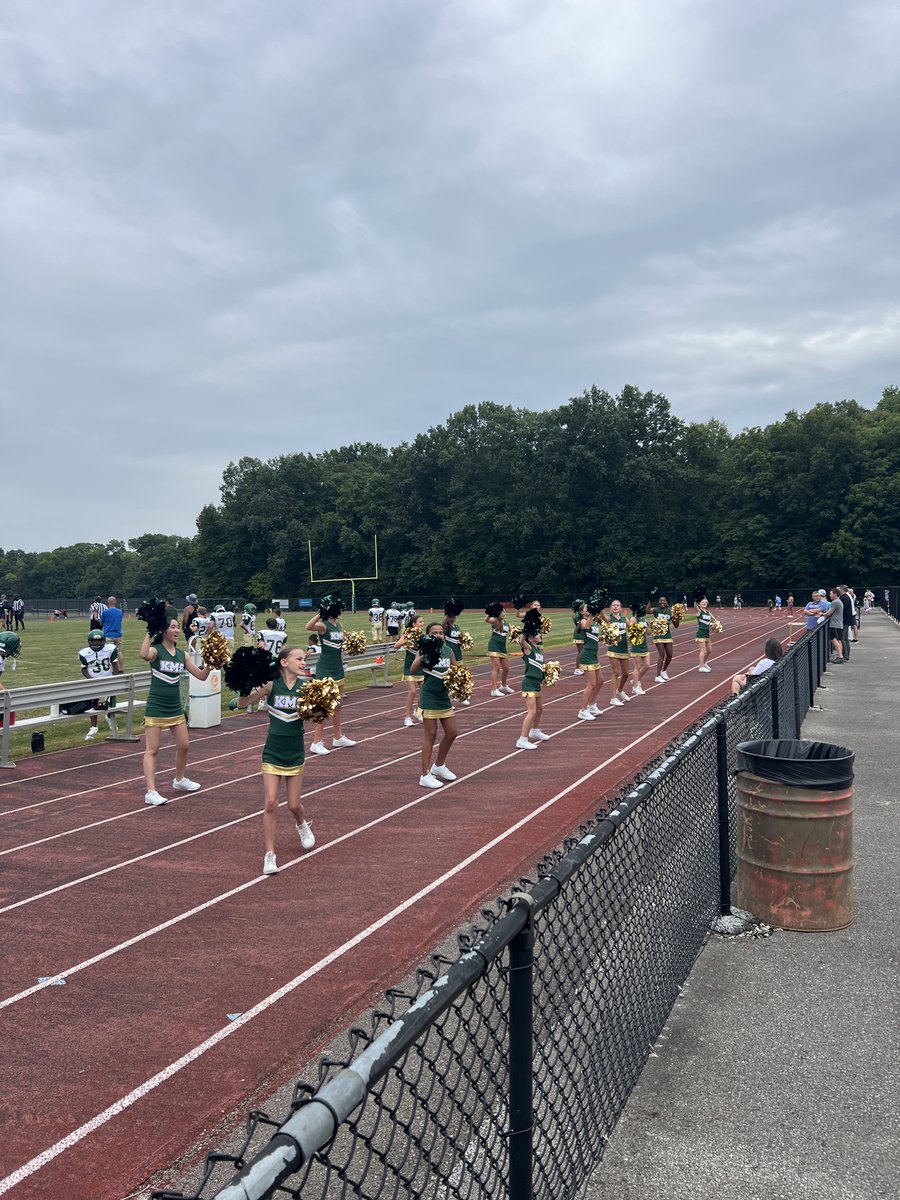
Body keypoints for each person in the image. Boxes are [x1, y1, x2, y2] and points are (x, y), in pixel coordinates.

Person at [231, 645, 316, 875]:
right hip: (272, 751)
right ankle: (270, 854)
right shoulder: (271, 686)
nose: (303, 662)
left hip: (295, 752)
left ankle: (301, 824)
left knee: (293, 805)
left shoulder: (307, 688)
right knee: (270, 802)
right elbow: (241, 704)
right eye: (299, 659)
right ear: (284, 662)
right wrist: (243, 684)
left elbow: (319, 716)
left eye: (304, 659)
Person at [140, 618, 212, 805]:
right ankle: (151, 791)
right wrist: (150, 631)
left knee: (184, 746)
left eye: (178, 627)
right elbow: (143, 654)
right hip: (156, 706)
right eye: (173, 627)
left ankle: (179, 780)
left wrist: (211, 662)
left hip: (175, 707)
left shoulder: (183, 655)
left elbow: (202, 676)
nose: (177, 630)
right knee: (153, 749)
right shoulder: (157, 651)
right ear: (164, 630)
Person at [305, 597, 356, 754]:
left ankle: (338, 737)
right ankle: (316, 742)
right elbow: (308, 626)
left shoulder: (339, 625)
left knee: (338, 705)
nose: (342, 612)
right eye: (340, 609)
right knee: (324, 707)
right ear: (335, 611)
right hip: (325, 669)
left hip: (337, 668)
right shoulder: (323, 626)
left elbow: (342, 640)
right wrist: (320, 613)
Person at [409, 623, 458, 788]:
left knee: (452, 733)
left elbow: (455, 670)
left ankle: (439, 765)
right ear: (428, 635)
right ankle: (424, 775)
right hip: (429, 698)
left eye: (440, 633)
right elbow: (413, 669)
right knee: (431, 736)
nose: (438, 635)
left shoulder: (448, 651)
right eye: (434, 633)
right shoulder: (423, 650)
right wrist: (425, 654)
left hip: (444, 698)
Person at [515, 607, 550, 749]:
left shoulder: (538, 649)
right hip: (529, 682)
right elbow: (521, 641)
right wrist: (527, 629)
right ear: (530, 637)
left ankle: (534, 731)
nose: (539, 635)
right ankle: (522, 739)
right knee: (532, 711)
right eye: (536, 634)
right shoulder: (528, 647)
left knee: (540, 709)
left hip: (537, 683)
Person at [79, 628, 122, 740]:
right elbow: (83, 669)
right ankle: (94, 726)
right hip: (94, 680)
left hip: (108, 679)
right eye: (94, 641)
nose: (97, 643)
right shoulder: (84, 653)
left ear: (104, 641)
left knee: (111, 703)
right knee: (93, 704)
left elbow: (115, 665)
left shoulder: (110, 649)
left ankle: (110, 718)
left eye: (99, 641)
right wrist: (90, 679)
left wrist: (114, 678)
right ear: (89, 642)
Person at [575, 602, 605, 720]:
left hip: (594, 655)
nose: (589, 610)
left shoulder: (594, 622)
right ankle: (583, 710)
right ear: (582, 612)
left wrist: (607, 636)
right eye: (587, 609)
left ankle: (591, 704)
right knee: (592, 683)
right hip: (586, 655)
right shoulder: (582, 621)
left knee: (601, 681)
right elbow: (586, 627)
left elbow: (594, 638)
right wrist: (592, 614)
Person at [395, 612, 425, 726]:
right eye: (420, 622)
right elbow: (396, 645)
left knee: (424, 691)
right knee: (412, 692)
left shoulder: (422, 635)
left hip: (420, 666)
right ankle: (407, 717)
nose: (422, 624)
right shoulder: (408, 633)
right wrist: (408, 639)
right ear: (414, 624)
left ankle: (418, 712)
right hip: (409, 666)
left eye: (422, 622)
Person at [442, 600, 470, 706]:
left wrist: (465, 641)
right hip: (450, 654)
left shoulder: (457, 627)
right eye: (452, 616)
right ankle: (448, 700)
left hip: (458, 654)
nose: (453, 618)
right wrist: (447, 615)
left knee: (460, 676)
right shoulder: (446, 627)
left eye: (454, 616)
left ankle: (461, 696)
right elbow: (443, 624)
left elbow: (460, 638)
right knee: (450, 677)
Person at [485, 602, 514, 697]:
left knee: (506, 668)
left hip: (502, 647)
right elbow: (486, 620)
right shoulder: (494, 620)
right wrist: (490, 612)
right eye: (501, 612)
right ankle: (493, 690)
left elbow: (514, 632)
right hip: (494, 645)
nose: (503, 613)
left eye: (504, 611)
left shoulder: (507, 623)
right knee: (496, 667)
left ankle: (503, 686)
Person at [605, 599, 631, 705]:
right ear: (611, 608)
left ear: (621, 608)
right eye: (613, 605)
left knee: (626, 673)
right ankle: (613, 698)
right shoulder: (609, 618)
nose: (615, 607)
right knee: (615, 672)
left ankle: (619, 690)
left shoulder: (625, 619)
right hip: (613, 648)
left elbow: (633, 629)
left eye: (617, 605)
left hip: (624, 648)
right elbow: (602, 616)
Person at [628, 604, 651, 696]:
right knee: (637, 667)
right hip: (636, 645)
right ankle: (635, 687)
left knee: (647, 665)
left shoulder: (644, 619)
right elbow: (632, 631)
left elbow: (648, 633)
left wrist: (651, 626)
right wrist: (634, 622)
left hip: (644, 645)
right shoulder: (633, 619)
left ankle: (635, 680)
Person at [652, 595, 674, 682]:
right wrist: (650, 600)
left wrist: (676, 617)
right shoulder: (656, 610)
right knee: (662, 654)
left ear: (666, 602)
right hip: (658, 634)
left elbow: (676, 625)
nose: (662, 602)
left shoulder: (670, 611)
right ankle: (657, 676)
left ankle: (663, 671)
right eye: (660, 601)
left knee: (670, 655)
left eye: (664, 601)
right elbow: (647, 611)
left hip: (667, 635)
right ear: (659, 602)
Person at [821, 588, 845, 663]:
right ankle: (840, 656)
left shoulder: (835, 602)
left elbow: (829, 613)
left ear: (835, 594)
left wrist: (822, 614)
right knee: (839, 641)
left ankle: (840, 657)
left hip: (835, 624)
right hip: (839, 624)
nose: (829, 595)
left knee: (834, 640)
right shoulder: (839, 602)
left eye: (831, 593)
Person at [695, 595, 716, 671]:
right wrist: (697, 597)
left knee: (709, 650)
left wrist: (716, 625)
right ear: (699, 604)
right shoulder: (699, 612)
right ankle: (701, 667)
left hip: (707, 634)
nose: (704, 603)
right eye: (702, 602)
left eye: (705, 602)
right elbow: (695, 605)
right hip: (701, 633)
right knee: (703, 650)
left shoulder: (708, 613)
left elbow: (715, 620)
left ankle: (704, 663)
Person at [101, 595, 124, 660]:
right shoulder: (120, 612)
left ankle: (113, 668)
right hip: (118, 634)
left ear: (108, 603)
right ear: (115, 602)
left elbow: (101, 622)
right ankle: (120, 669)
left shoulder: (105, 612)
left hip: (109, 635)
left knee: (110, 653)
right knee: (119, 652)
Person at [571, 600, 586, 676]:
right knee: (581, 652)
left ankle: (582, 667)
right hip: (579, 634)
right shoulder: (577, 614)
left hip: (583, 634)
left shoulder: (576, 613)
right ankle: (577, 668)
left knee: (583, 651)